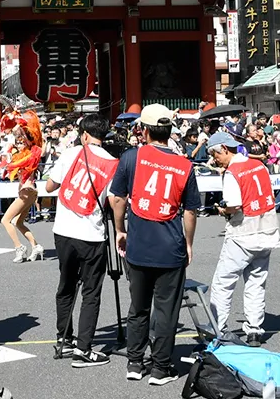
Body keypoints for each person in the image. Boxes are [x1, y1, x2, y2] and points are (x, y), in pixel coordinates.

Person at [109, 104, 201, 386]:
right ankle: (161, 367)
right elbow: (190, 211)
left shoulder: (131, 158)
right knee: (166, 310)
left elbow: (117, 198)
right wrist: (188, 243)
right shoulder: (185, 165)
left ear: (145, 131)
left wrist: (120, 229)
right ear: (169, 131)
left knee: (138, 307)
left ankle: (135, 363)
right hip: (170, 247)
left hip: (139, 244)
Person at [44, 114, 118, 367]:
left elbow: (50, 186)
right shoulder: (112, 163)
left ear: (85, 134)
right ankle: (84, 348)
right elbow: (113, 201)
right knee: (91, 291)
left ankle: (63, 338)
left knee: (66, 286)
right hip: (92, 233)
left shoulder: (71, 153)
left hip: (64, 230)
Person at [207, 132, 280, 346]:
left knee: (224, 282)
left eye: (215, 154)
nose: (214, 160)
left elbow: (234, 204)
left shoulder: (233, 172)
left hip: (243, 232)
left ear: (224, 149)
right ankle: (255, 329)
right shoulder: (259, 166)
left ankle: (218, 328)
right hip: (267, 229)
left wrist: (222, 210)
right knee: (256, 281)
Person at [0, 110, 46, 262]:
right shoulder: (20, 154)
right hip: (27, 192)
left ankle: (19, 247)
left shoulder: (32, 153)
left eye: (21, 140)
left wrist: (18, 122)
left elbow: (15, 163)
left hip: (27, 191)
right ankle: (36, 246)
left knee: (5, 220)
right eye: (17, 140)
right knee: (18, 222)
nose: (18, 142)